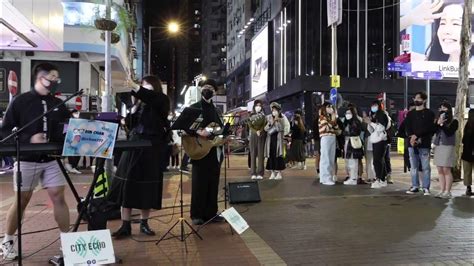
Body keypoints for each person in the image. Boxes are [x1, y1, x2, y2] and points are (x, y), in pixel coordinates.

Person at [1, 63, 71, 261]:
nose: (56, 81)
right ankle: (7, 241)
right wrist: (28, 139)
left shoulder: (58, 103)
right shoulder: (21, 101)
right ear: (40, 78)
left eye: (57, 77)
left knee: (58, 196)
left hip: (52, 158)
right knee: (22, 200)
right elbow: (5, 131)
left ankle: (66, 243)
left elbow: (68, 127)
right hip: (26, 159)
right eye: (52, 77)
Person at [108, 75, 170, 238]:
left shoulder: (162, 100)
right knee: (127, 185)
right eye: (143, 85)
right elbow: (130, 123)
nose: (144, 88)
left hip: (150, 147)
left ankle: (144, 223)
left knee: (146, 187)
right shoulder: (138, 103)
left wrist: (136, 88)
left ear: (155, 87)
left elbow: (152, 99)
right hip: (133, 145)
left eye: (147, 85)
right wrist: (131, 109)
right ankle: (125, 225)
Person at [189, 79, 225, 225]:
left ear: (215, 92)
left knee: (213, 182)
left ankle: (211, 213)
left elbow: (219, 128)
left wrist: (224, 135)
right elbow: (186, 126)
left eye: (211, 88)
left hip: (214, 150)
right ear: (200, 89)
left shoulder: (216, 110)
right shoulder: (194, 107)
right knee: (199, 183)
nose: (208, 89)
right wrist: (199, 131)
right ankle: (197, 214)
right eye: (205, 87)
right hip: (199, 149)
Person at [405, 92, 436, 196]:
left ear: (424, 100)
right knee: (413, 166)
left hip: (424, 143)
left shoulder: (429, 113)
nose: (416, 100)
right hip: (412, 143)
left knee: (425, 167)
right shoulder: (410, 114)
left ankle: (426, 187)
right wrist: (412, 137)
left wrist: (417, 136)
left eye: (418, 98)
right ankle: (415, 186)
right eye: (415, 98)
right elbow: (407, 127)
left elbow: (429, 128)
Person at [433, 102, 459, 199]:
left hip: (448, 146)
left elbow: (449, 132)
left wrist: (442, 124)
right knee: (439, 169)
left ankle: (448, 191)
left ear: (449, 109)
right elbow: (434, 131)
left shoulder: (454, 121)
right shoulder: (438, 120)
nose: (442, 110)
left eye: (444, 108)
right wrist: (438, 123)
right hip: (439, 145)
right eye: (441, 108)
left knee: (446, 169)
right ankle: (442, 190)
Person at [365, 100, 389, 189]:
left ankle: (379, 179)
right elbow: (371, 130)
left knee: (377, 160)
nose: (373, 107)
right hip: (376, 140)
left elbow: (381, 127)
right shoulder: (374, 115)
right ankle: (382, 179)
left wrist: (370, 123)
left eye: (375, 105)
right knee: (379, 160)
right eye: (372, 105)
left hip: (381, 140)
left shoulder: (382, 115)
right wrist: (369, 122)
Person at [264, 102, 290, 180]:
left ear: (278, 111)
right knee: (271, 155)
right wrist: (271, 123)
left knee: (278, 155)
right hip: (270, 139)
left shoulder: (282, 118)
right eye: (272, 110)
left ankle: (279, 173)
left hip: (278, 139)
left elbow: (283, 129)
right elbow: (265, 128)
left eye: (275, 110)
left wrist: (277, 121)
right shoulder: (268, 117)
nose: (274, 112)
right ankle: (272, 173)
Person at [341, 106, 364, 185]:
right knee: (350, 161)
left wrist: (344, 133)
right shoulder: (349, 122)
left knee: (353, 161)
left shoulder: (355, 121)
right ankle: (352, 177)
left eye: (349, 113)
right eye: (346, 113)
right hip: (351, 142)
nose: (347, 114)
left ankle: (353, 178)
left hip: (353, 142)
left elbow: (354, 132)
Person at [318, 102, 340, 185]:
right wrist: (333, 121)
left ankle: (328, 177)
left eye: (331, 106)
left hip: (332, 138)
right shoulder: (322, 117)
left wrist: (333, 120)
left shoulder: (329, 118)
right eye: (328, 106)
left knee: (331, 158)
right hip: (326, 138)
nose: (330, 108)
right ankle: (325, 177)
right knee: (326, 158)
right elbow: (326, 128)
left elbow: (337, 127)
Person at [248, 100, 267, 180]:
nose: (258, 107)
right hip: (253, 135)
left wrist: (260, 130)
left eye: (259, 105)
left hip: (261, 135)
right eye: (256, 105)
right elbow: (250, 126)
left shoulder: (263, 116)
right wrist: (256, 131)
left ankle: (260, 172)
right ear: (254, 106)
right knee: (253, 154)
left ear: (261, 107)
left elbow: (264, 124)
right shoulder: (251, 115)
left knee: (260, 154)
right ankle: (253, 172)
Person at [462, 109, 474, 196]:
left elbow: (463, 140)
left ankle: (468, 189)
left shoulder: (467, 126)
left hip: (466, 153)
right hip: (472, 152)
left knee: (467, 172)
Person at [312, 105, 321, 178]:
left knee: (322, 156)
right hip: (318, 140)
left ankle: (321, 170)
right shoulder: (316, 120)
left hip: (322, 139)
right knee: (318, 157)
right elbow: (314, 133)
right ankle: (318, 171)